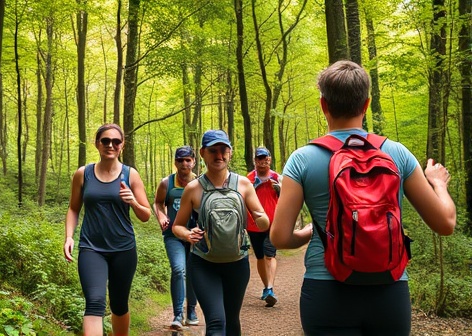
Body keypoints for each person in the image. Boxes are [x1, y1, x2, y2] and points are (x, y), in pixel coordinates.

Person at [271, 60, 456, 335]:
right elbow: (445, 224)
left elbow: (280, 238)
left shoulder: (302, 159)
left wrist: (311, 232)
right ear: (366, 104)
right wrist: (438, 183)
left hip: (326, 289)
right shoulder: (398, 154)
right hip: (389, 289)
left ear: (323, 105)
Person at [172, 129, 270, 335]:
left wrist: (260, 219)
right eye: (213, 150)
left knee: (232, 321)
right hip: (203, 264)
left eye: (224, 150)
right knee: (216, 322)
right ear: (202, 153)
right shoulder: (193, 188)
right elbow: (177, 226)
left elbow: (263, 221)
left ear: (230, 152)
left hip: (237, 263)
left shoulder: (243, 184)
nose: (219, 155)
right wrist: (188, 234)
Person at [64, 123, 152, 336]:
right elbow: (74, 208)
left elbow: (146, 215)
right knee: (94, 302)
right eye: (105, 140)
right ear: (97, 144)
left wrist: (133, 202)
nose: (110, 145)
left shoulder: (131, 175)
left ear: (122, 145)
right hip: (91, 248)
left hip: (124, 249)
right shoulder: (83, 174)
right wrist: (69, 236)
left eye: (116, 141)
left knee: (119, 305)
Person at [153, 146, 199, 329]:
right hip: (173, 235)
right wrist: (162, 216)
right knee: (179, 270)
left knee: (193, 272)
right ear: (175, 162)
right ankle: (177, 314)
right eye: (180, 160)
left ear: (194, 162)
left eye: (188, 160)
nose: (184, 164)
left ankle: (192, 311)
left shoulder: (201, 183)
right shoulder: (166, 183)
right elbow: (157, 202)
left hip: (194, 236)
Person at [246, 146, 280, 307]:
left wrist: (279, 190)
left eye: (265, 158)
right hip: (253, 224)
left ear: (270, 159)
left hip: (273, 223)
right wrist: (253, 188)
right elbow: (242, 198)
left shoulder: (277, 178)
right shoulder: (249, 179)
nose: (262, 161)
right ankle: (266, 287)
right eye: (259, 158)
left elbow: (287, 199)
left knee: (269, 255)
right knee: (260, 257)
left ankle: (270, 288)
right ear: (255, 161)